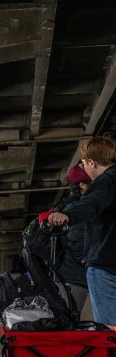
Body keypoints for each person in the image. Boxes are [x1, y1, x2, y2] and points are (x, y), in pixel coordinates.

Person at [47, 136, 116, 326]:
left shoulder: (106, 181)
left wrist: (67, 216)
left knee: (110, 330)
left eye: (84, 164)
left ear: (92, 163)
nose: (85, 168)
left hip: (105, 264)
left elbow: (90, 204)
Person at [53, 162, 91, 316]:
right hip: (72, 276)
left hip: (67, 274)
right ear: (82, 185)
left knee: (68, 319)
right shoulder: (77, 209)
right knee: (69, 319)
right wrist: (88, 261)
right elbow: (78, 240)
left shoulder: (68, 206)